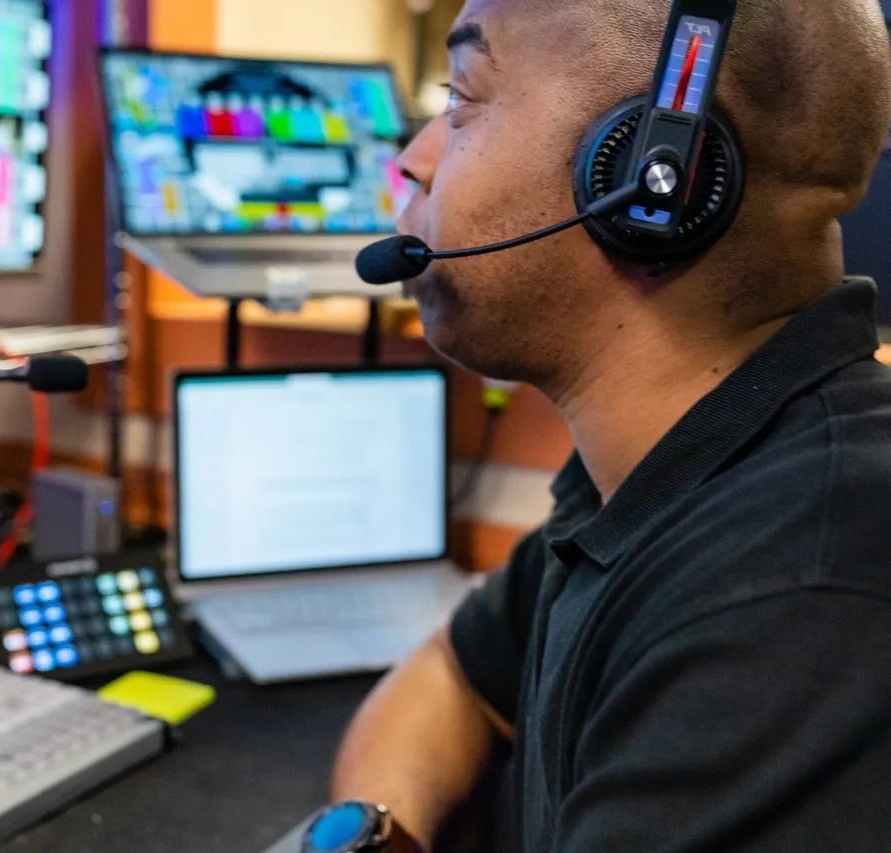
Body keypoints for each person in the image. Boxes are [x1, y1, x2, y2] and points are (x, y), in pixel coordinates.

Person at [328, 0, 891, 850]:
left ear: (651, 178)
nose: (413, 160)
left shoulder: (799, 595)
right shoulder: (661, 467)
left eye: (464, 97)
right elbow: (450, 672)